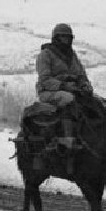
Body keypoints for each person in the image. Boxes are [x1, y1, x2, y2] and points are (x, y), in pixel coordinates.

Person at [36, 23, 96, 173]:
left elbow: (81, 74)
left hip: (74, 89)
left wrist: (85, 85)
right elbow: (45, 79)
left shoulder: (72, 55)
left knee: (100, 103)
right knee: (68, 99)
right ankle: (67, 139)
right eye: (63, 37)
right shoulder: (45, 55)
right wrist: (64, 85)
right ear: (56, 38)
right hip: (49, 91)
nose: (67, 40)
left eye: (68, 37)